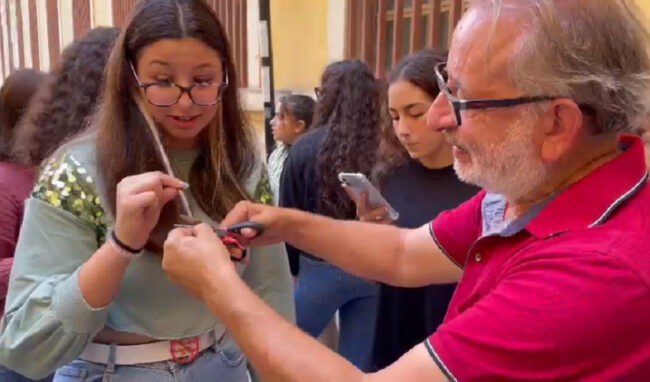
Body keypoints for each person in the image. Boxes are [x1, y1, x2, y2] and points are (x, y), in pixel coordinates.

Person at [162, 0, 650, 380]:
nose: (439, 117)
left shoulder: (593, 274)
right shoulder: (540, 188)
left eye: (461, 98)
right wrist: (289, 224)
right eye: (444, 84)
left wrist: (218, 286)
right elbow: (404, 252)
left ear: (557, 124)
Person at [0, 0, 294, 380]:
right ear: (130, 80)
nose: (185, 102)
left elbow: (272, 295)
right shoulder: (75, 172)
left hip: (224, 364)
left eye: (203, 82)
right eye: (162, 81)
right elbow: (25, 342)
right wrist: (121, 245)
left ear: (224, 80)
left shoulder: (244, 166)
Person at [346, 49, 479, 370]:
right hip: (394, 346)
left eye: (414, 113)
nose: (402, 128)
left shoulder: (485, 183)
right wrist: (368, 237)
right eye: (394, 116)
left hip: (458, 353)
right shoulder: (388, 176)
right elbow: (374, 274)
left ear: (447, 106)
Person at [279, 60, 382, 371]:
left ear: (327, 96)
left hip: (319, 268)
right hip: (374, 268)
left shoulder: (305, 147)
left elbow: (288, 214)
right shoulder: (386, 146)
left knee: (283, 354)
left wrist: (292, 271)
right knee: (358, 367)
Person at [0, 69, 49, 382]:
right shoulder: (4, 181)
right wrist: (52, 261)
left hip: (50, 332)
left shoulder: (46, 169)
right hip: (18, 342)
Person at [267, 94, 315, 205]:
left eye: (280, 117)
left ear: (298, 126)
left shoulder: (311, 160)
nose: (272, 122)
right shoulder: (276, 156)